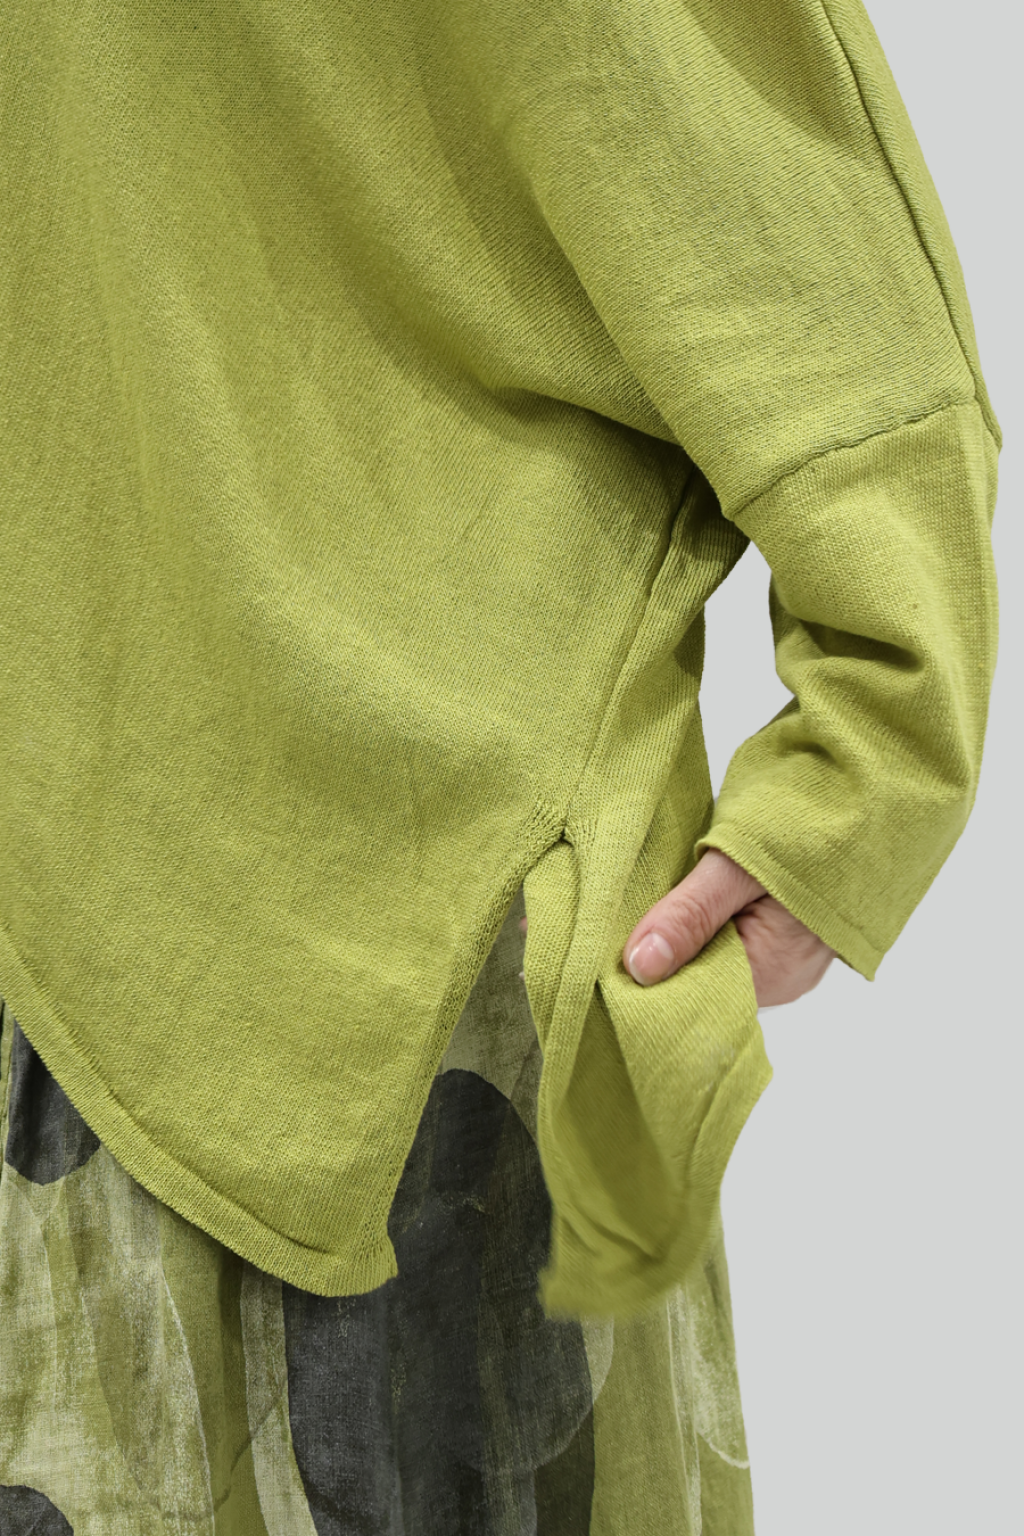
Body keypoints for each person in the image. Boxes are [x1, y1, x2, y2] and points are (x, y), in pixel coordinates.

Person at [0, 1, 999, 1531]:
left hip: (421, 959)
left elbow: (826, 311)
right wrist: (863, 774)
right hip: (154, 906)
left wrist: (858, 773)